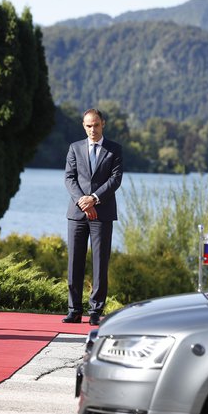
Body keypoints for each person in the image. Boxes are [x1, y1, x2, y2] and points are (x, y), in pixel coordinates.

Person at [63, 108, 123, 325]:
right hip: (77, 213)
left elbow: (115, 180)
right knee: (74, 262)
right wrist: (83, 201)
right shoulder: (74, 148)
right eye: (88, 125)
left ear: (103, 124)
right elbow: (69, 179)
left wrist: (94, 199)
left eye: (96, 125)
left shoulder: (114, 149)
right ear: (83, 125)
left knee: (100, 263)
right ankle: (74, 310)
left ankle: (96, 311)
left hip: (102, 212)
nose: (92, 129)